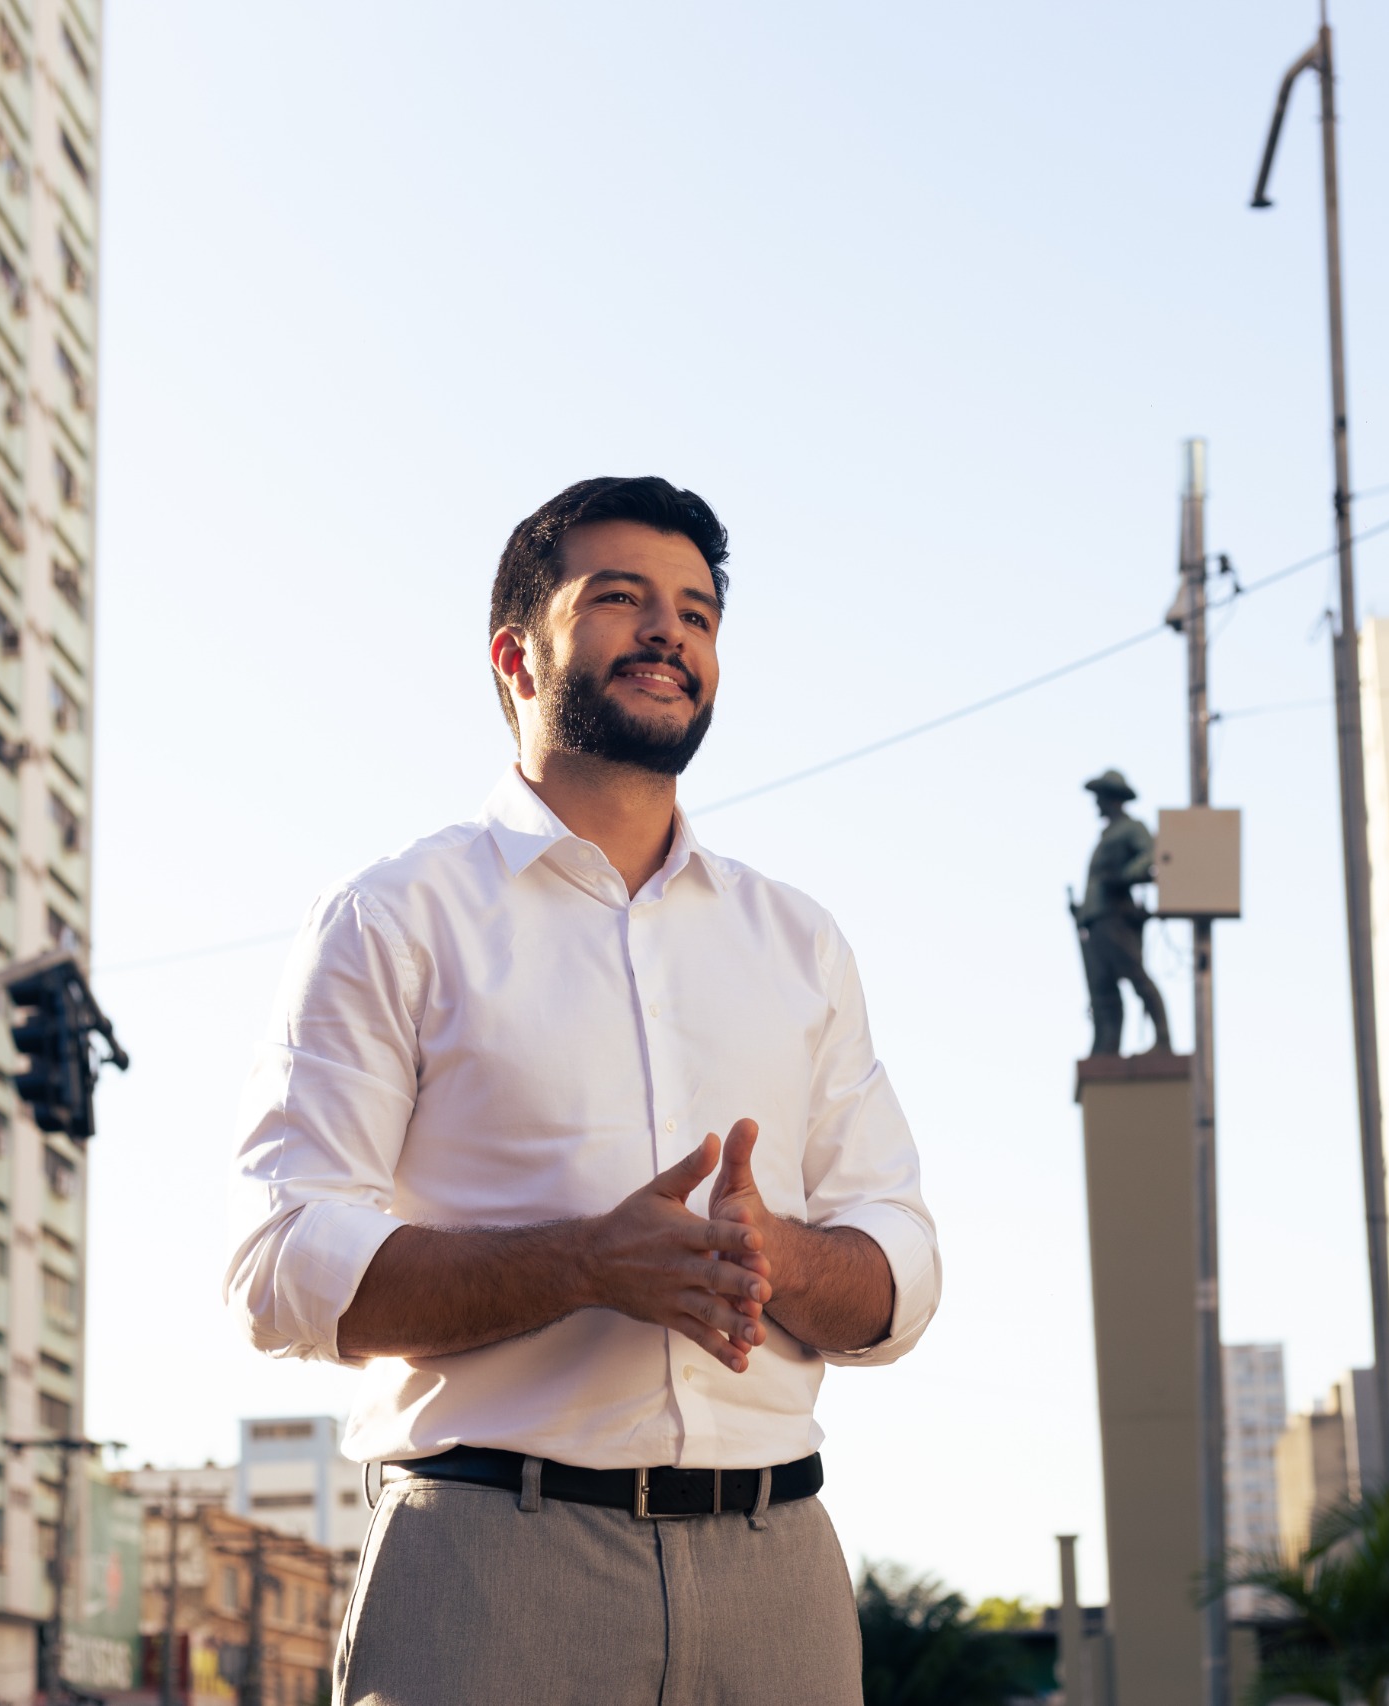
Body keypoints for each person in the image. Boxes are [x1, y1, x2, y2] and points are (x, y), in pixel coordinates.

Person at [224, 475, 940, 1705]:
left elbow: (902, 1275)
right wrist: (585, 1262)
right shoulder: (394, 916)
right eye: (621, 598)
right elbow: (279, 1263)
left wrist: (774, 1253)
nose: (669, 631)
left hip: (779, 1571)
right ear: (515, 654)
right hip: (490, 1567)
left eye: (697, 612)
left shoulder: (799, 940)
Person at [1073, 768, 1170, 1058]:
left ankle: (1163, 1039)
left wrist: (1126, 875)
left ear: (1112, 798)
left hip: (1115, 915)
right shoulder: (1106, 835)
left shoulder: (1131, 828)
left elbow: (1150, 854)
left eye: (1100, 797)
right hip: (1096, 918)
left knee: (1136, 975)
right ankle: (1107, 1047)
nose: (1097, 803)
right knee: (1103, 988)